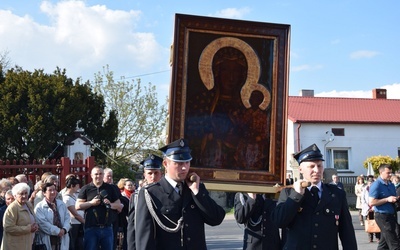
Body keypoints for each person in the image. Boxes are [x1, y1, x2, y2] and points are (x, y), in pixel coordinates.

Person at [135, 138, 226, 249]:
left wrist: (197, 193)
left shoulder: (196, 189)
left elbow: (216, 218)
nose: (184, 168)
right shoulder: (151, 194)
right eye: (178, 163)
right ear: (165, 163)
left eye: (187, 162)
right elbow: (144, 239)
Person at [271, 143, 357, 249]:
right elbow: (279, 221)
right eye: (311, 166)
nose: (316, 170)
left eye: (319, 166)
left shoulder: (336, 194)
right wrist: (297, 195)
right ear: (301, 170)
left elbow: (347, 231)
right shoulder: (289, 193)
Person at [76, 166, 122, 250]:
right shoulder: (86, 188)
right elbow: (78, 206)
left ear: (103, 175)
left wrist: (110, 204)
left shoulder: (110, 188)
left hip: (107, 227)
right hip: (91, 227)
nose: (98, 176)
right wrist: (91, 203)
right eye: (96, 174)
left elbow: (119, 206)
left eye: (100, 174)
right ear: (91, 175)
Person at [127, 154, 163, 250]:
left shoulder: (169, 195)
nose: (153, 176)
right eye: (150, 173)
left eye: (156, 173)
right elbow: (132, 225)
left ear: (161, 174)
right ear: (144, 175)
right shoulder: (136, 197)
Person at [369, 164, 400, 249]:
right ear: (381, 172)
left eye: (391, 173)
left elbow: (392, 197)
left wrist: (396, 199)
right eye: (388, 173)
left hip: (392, 215)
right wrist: (387, 199)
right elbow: (372, 202)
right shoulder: (376, 185)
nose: (390, 175)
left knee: (384, 244)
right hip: (382, 216)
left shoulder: (390, 184)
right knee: (394, 243)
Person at [1, 183, 38, 250]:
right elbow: (8, 228)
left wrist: (35, 225)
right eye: (21, 194)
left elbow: (32, 219)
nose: (24, 196)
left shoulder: (28, 204)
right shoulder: (12, 208)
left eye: (26, 193)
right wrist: (28, 228)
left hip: (27, 243)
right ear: (15, 196)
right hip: (15, 245)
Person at [35, 182, 71, 250]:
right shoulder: (39, 207)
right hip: (49, 238)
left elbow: (67, 218)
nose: (53, 192)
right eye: (50, 190)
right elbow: (43, 224)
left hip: (62, 237)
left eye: (54, 190)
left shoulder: (61, 204)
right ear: (44, 193)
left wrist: (64, 229)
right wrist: (58, 231)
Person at [62, 176, 84, 250]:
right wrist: (85, 222)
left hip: (78, 224)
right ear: (72, 186)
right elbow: (74, 214)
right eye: (77, 185)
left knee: (79, 244)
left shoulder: (74, 196)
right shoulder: (67, 198)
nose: (78, 187)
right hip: (73, 224)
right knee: (73, 244)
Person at [361, 176, 381, 243]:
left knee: (377, 223)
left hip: (375, 208)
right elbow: (362, 199)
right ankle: (370, 237)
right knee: (369, 223)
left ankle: (378, 237)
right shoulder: (364, 189)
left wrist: (373, 207)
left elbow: (378, 198)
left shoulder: (376, 189)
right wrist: (367, 207)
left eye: (372, 182)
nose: (370, 183)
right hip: (367, 209)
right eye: (369, 182)